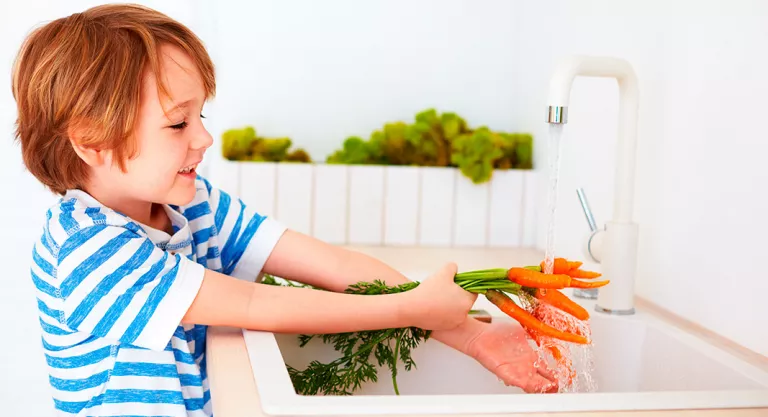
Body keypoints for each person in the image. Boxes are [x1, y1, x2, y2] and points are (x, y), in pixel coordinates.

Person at [11, 4, 557, 416]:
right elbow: (254, 304)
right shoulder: (86, 248)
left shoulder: (190, 205)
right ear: (91, 141)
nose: (203, 137)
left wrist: (469, 334)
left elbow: (333, 266)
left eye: (200, 114)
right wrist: (409, 310)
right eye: (178, 123)